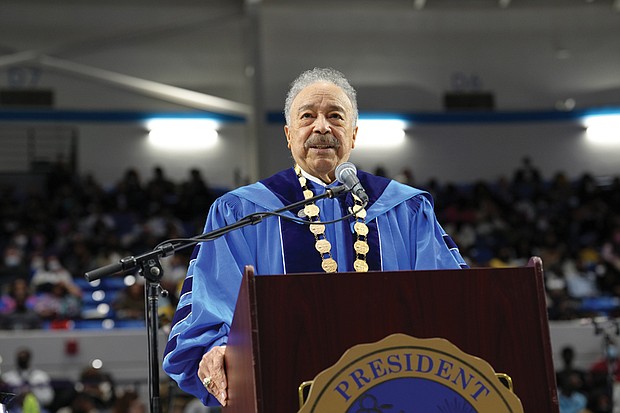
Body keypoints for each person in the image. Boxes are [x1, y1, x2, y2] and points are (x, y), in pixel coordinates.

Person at [162, 67, 468, 407]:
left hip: (397, 391)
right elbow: (213, 304)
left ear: (353, 134)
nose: (321, 127)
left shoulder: (406, 210)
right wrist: (216, 349)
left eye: (335, 116)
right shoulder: (242, 212)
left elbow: (450, 302)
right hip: (286, 394)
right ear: (289, 134)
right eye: (307, 116)